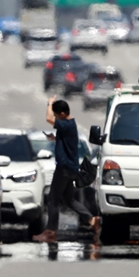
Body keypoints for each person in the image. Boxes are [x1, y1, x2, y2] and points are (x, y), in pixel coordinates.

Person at [33, 96, 99, 243]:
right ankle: (92, 220)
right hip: (71, 168)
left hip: (64, 168)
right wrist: (55, 139)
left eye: (57, 115)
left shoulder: (66, 124)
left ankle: (50, 232)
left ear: (62, 114)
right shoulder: (70, 125)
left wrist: (49, 103)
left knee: (52, 200)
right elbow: (68, 142)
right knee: (69, 200)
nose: (56, 117)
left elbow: (49, 119)